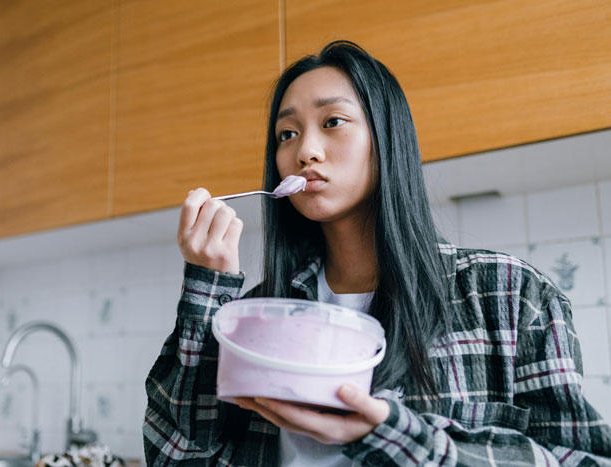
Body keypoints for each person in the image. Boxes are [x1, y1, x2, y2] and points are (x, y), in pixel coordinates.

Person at [143, 40, 611, 466]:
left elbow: (581, 460)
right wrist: (207, 286)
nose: (305, 150)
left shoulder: (510, 295)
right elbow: (175, 457)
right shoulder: (256, 318)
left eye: (333, 123)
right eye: (286, 134)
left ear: (386, 140)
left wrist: (392, 435)